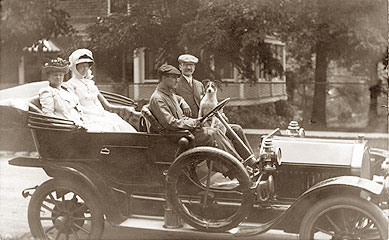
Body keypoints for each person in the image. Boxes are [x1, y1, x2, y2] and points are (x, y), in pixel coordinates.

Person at [149, 64, 243, 161]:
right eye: (174, 78)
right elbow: (170, 123)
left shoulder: (170, 94)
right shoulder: (158, 99)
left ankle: (247, 162)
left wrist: (197, 121)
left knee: (231, 129)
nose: (177, 80)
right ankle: (237, 165)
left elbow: (181, 117)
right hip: (178, 136)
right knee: (214, 133)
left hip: (186, 131)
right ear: (164, 78)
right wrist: (194, 123)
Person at [175, 54, 254, 154]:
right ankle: (234, 165)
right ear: (180, 67)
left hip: (206, 122)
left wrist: (221, 114)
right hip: (191, 126)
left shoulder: (199, 84)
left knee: (237, 129)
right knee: (217, 134)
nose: (189, 68)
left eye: (191, 65)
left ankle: (250, 160)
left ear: (194, 67)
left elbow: (207, 102)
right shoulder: (175, 83)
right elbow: (167, 95)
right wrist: (181, 100)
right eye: (186, 65)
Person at [67, 49, 139, 133]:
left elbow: (97, 101)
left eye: (87, 66)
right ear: (75, 67)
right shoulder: (70, 85)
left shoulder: (90, 83)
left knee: (117, 123)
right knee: (107, 126)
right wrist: (96, 114)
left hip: (99, 113)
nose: (85, 69)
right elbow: (77, 107)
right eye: (82, 66)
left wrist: (101, 112)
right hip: (86, 115)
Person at [39, 57, 84, 125]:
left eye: (61, 75)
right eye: (55, 75)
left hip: (80, 122)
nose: (58, 77)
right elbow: (49, 115)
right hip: (66, 126)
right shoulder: (47, 91)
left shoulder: (66, 90)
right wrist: (69, 124)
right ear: (48, 77)